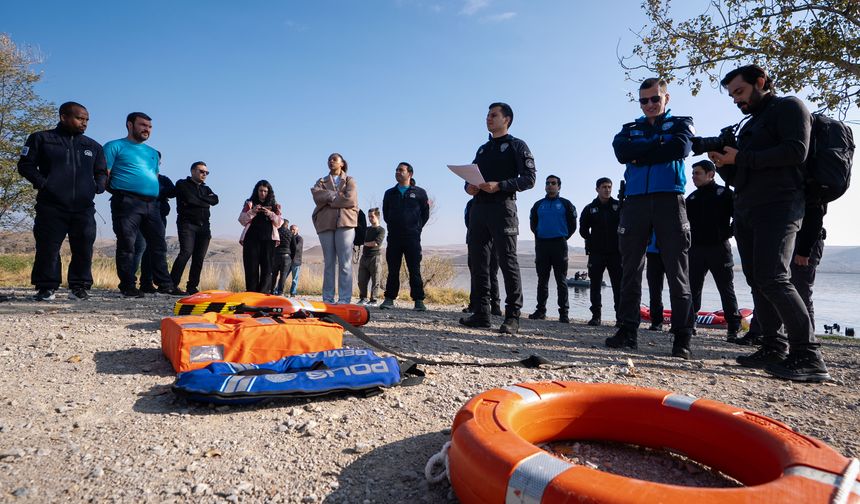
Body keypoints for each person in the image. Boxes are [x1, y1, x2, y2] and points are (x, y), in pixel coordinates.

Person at [710, 64, 830, 382]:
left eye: (740, 91)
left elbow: (796, 151)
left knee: (775, 278)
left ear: (760, 82)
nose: (737, 99)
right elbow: (739, 175)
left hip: (781, 206)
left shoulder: (790, 106)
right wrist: (722, 162)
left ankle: (808, 356)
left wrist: (741, 157)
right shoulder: (750, 123)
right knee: (758, 280)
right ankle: (772, 346)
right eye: (732, 95)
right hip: (748, 209)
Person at [609, 78, 695, 358]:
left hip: (669, 199)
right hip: (635, 202)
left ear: (666, 99)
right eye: (643, 100)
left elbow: (680, 149)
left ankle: (682, 338)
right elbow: (622, 152)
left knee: (677, 272)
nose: (649, 105)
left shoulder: (682, 124)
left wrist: (643, 151)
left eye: (654, 99)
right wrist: (657, 145)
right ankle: (627, 331)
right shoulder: (628, 129)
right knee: (630, 269)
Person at [17, 101, 107, 301]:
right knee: (48, 247)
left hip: (83, 208)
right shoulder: (41, 139)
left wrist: (98, 186)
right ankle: (46, 287)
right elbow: (25, 165)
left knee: (83, 247)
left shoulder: (93, 146)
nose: (84, 123)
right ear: (63, 117)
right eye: (79, 118)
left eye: (86, 120)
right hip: (51, 205)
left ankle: (79, 287)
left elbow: (101, 171)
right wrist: (43, 183)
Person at [459, 102, 536, 335]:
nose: (488, 118)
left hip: (503, 208)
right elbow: (470, 177)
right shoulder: (483, 150)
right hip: (479, 209)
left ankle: (512, 316)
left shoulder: (517, 146)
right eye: (487, 115)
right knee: (478, 262)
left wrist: (501, 185)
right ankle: (481, 313)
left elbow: (529, 179)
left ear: (507, 120)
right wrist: (469, 187)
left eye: (493, 115)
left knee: (507, 261)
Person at [104, 112, 181, 298]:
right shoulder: (114, 146)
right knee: (127, 244)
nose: (147, 129)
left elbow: (153, 177)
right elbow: (104, 174)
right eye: (142, 125)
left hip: (152, 205)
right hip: (127, 202)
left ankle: (165, 285)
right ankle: (128, 285)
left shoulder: (152, 153)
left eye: (149, 126)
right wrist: (119, 193)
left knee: (158, 245)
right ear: (129, 125)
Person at [686, 159, 741, 340]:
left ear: (711, 174)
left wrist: (728, 232)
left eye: (698, 173)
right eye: (693, 173)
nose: (694, 177)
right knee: (693, 288)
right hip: (696, 250)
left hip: (719, 248)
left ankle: (733, 327)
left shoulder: (724, 194)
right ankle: (690, 323)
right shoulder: (691, 198)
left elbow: (739, 216)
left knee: (725, 288)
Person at [379, 162, 431, 311]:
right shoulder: (390, 193)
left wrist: (416, 227)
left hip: (412, 237)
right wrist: (395, 225)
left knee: (414, 269)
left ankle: (419, 301)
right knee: (393, 269)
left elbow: (425, 214)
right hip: (394, 236)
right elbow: (386, 213)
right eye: (396, 170)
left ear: (410, 174)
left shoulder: (420, 192)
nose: (397, 172)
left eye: (401, 170)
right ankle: (389, 299)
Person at [528, 174, 577, 323]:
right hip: (542, 245)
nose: (550, 185)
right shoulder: (538, 205)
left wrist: (562, 236)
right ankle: (540, 311)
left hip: (559, 245)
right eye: (548, 183)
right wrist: (541, 235)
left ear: (559, 186)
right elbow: (533, 224)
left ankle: (564, 313)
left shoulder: (566, 204)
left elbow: (572, 225)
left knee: (561, 280)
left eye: (553, 183)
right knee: (542, 280)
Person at [311, 153, 359, 304]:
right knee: (329, 263)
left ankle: (344, 299)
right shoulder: (321, 181)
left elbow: (350, 199)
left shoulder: (350, 180)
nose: (331, 161)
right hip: (325, 223)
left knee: (345, 263)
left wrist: (329, 200)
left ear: (342, 163)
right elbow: (316, 196)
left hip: (345, 223)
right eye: (329, 159)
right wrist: (336, 196)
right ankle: (328, 299)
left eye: (334, 159)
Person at [579, 177, 622, 326]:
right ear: (597, 189)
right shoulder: (590, 208)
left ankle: (620, 317)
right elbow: (583, 229)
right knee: (595, 285)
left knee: (618, 286)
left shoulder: (619, 205)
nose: (607, 190)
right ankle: (596, 316)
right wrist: (592, 240)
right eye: (604, 187)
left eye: (609, 187)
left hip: (616, 253)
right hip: (596, 253)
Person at [170, 161, 218, 295]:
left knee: (199, 257)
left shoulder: (206, 188)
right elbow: (190, 199)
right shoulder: (182, 184)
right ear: (192, 171)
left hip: (204, 226)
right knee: (186, 253)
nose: (204, 174)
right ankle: (171, 285)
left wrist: (201, 198)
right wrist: (205, 201)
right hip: (187, 224)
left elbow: (215, 200)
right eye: (201, 171)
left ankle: (192, 287)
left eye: (206, 172)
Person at [239, 180, 283, 293]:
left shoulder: (275, 206)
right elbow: (242, 220)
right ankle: (251, 293)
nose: (263, 193)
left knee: (267, 268)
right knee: (251, 267)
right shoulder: (249, 203)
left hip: (269, 240)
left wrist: (270, 214)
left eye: (265, 191)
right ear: (256, 190)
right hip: (251, 239)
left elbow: (279, 223)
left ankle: (263, 295)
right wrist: (253, 211)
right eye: (260, 190)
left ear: (269, 192)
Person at [463, 199, 501, 316]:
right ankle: (474, 304)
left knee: (492, 273)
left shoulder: (498, 202)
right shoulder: (470, 203)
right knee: (476, 273)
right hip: (474, 240)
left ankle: (495, 306)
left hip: (495, 241)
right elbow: (467, 221)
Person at [138, 174, 176, 293]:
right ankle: (139, 283)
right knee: (141, 248)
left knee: (154, 248)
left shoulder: (163, 179)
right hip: (140, 214)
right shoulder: (141, 176)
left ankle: (151, 282)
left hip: (160, 215)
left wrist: (159, 191)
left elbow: (173, 192)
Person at [357, 208, 385, 305]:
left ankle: (373, 300)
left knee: (375, 280)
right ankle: (363, 298)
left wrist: (363, 243)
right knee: (361, 280)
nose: (370, 218)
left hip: (375, 257)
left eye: (372, 216)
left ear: (377, 216)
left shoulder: (381, 230)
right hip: (364, 257)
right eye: (369, 216)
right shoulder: (366, 229)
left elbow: (376, 243)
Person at [645, 232, 666, 331]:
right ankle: (656, 321)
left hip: (671, 250)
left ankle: (678, 323)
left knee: (676, 290)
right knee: (654, 290)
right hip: (652, 251)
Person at [271, 220, 293, 296]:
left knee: (274, 274)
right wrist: (292, 257)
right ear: (287, 225)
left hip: (276, 255)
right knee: (283, 275)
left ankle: (271, 290)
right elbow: (294, 247)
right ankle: (280, 292)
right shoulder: (290, 233)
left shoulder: (276, 231)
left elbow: (272, 243)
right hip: (286, 256)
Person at [288, 224, 303, 296]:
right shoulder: (288, 237)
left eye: (293, 229)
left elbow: (297, 248)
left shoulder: (299, 238)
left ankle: (293, 292)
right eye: (291, 229)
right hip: (288, 261)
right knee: (283, 277)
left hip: (296, 261)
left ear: (297, 230)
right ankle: (277, 290)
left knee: (294, 279)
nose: (292, 231)